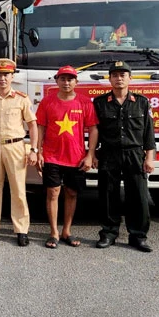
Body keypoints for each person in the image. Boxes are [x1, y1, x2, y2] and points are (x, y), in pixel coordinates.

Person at [91, 61, 156, 252]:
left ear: (130, 78)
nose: (119, 78)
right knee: (108, 195)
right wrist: (93, 154)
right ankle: (108, 233)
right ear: (109, 79)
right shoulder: (100, 102)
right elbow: (95, 131)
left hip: (134, 153)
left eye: (123, 75)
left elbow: (149, 133)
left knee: (138, 195)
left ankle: (138, 236)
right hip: (109, 153)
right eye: (115, 75)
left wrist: (149, 158)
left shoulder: (142, 102)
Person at [35, 66, 98, 249]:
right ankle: (54, 232)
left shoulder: (85, 103)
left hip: (76, 157)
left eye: (70, 79)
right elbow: (40, 127)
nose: (66, 82)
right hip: (52, 156)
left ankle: (66, 231)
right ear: (56, 81)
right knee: (52, 193)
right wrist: (38, 151)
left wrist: (90, 154)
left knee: (71, 193)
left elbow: (93, 128)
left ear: (76, 82)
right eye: (62, 79)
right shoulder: (47, 102)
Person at [0, 58, 38, 247]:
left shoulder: (21, 98)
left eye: (6, 75)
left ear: (12, 77)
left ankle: (21, 230)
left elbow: (32, 125)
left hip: (16, 146)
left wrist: (34, 149)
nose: (2, 78)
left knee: (18, 190)